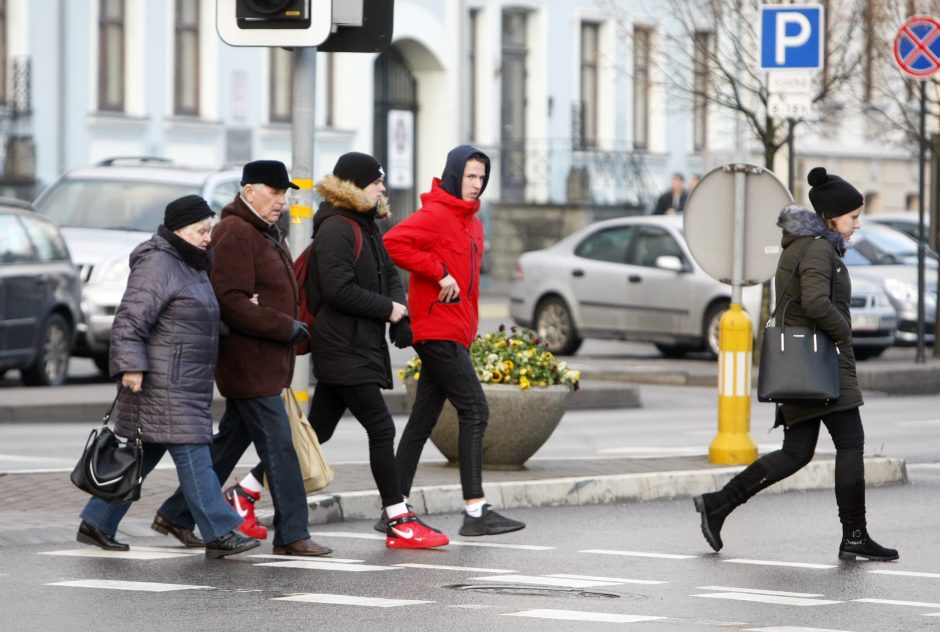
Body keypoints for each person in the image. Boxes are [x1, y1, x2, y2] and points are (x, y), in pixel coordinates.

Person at [693, 167, 899, 562]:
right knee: (850, 443)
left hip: (804, 363)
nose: (857, 224)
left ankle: (718, 504)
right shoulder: (819, 249)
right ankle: (854, 533)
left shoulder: (802, 245)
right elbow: (816, 302)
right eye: (853, 217)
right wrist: (844, 336)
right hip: (819, 363)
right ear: (830, 217)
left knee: (796, 452)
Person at [152, 160, 332, 557]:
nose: (281, 201)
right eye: (274, 192)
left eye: (285, 194)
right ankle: (292, 533)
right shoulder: (235, 232)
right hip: (249, 364)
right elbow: (230, 302)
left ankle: (176, 514)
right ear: (248, 191)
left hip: (265, 362)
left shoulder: (264, 231)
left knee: (228, 445)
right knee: (280, 449)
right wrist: (285, 327)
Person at [76, 195, 260, 559]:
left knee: (144, 453)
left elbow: (193, 317)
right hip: (162, 382)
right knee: (195, 454)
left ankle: (97, 521)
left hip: (183, 380)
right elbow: (130, 319)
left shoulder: (190, 264)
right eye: (201, 230)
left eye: (209, 229)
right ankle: (220, 531)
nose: (208, 237)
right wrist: (130, 366)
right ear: (179, 229)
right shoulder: (158, 263)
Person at [306, 152, 448, 549]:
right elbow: (337, 289)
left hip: (357, 343)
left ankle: (245, 493)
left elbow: (388, 274)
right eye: (376, 182)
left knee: (317, 431)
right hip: (340, 345)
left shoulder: (364, 224)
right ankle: (398, 518)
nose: (383, 187)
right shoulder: (336, 228)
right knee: (381, 427)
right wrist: (388, 309)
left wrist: (400, 316)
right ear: (353, 185)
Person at [383, 144, 525, 537]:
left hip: (455, 332)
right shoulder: (435, 214)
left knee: (423, 419)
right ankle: (476, 511)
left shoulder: (473, 222)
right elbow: (393, 242)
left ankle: (393, 509)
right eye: (470, 177)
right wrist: (438, 271)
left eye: (482, 178)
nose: (476, 185)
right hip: (436, 331)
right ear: (453, 175)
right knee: (475, 410)